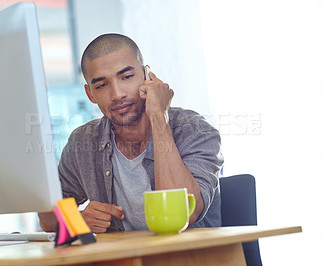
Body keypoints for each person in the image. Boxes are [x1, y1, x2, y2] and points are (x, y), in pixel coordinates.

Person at [39, 33, 223, 233]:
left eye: (126, 77)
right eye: (101, 85)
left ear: (147, 76)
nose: (117, 94)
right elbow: (47, 218)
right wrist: (78, 220)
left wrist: (159, 117)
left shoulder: (194, 131)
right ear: (90, 94)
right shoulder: (83, 142)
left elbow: (184, 214)